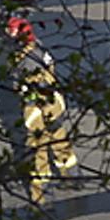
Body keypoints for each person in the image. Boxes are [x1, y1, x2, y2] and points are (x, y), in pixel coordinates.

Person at [9, 18, 77, 204]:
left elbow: (21, 83)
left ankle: (39, 195)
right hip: (53, 101)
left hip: (37, 106)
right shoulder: (39, 49)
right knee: (59, 136)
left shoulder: (25, 58)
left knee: (37, 146)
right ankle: (69, 174)